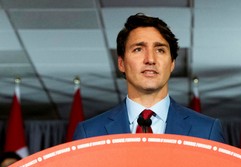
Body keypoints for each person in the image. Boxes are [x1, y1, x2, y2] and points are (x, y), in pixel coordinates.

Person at [73, 13, 225, 143]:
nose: (150, 59)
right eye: (138, 49)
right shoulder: (89, 133)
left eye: (160, 50)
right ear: (121, 63)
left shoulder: (207, 131)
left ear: (172, 63)